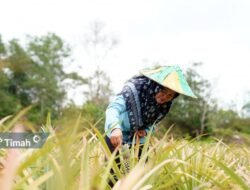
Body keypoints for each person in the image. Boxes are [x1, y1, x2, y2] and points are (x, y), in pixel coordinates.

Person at [104, 65, 196, 186]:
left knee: (142, 172)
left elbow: (153, 124)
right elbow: (113, 109)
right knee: (112, 172)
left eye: (170, 96)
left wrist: (146, 131)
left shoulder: (164, 106)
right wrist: (115, 128)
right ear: (155, 86)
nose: (165, 98)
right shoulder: (134, 89)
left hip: (137, 139)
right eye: (163, 91)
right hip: (116, 134)